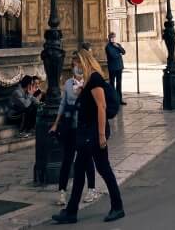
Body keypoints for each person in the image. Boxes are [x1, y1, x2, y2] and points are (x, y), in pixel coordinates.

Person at [52, 48, 125, 224]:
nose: (74, 67)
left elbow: (101, 107)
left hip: (93, 132)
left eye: (76, 63)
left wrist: (101, 135)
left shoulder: (95, 79)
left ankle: (117, 207)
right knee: (79, 170)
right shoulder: (88, 81)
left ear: (83, 62)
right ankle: (71, 212)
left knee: (103, 169)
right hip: (86, 131)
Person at [51, 55, 98, 208]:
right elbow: (63, 104)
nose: (76, 67)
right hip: (70, 126)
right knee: (67, 159)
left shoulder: (89, 83)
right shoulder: (68, 83)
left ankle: (91, 189)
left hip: (83, 127)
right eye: (74, 65)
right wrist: (55, 124)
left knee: (87, 159)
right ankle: (62, 192)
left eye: (79, 64)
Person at [105, 32, 126, 105]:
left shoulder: (118, 45)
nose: (113, 38)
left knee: (119, 84)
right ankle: (112, 100)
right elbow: (112, 55)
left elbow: (123, 52)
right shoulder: (108, 47)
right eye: (112, 37)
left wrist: (118, 47)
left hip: (119, 67)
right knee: (112, 84)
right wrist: (119, 54)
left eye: (114, 37)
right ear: (109, 38)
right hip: (112, 68)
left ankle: (119, 100)